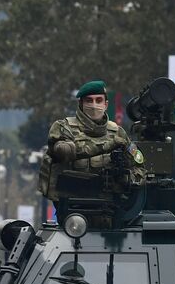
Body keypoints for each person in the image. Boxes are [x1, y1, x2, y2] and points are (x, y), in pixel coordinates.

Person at [39, 80, 144, 214]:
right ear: (81, 104)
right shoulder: (63, 127)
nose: (94, 105)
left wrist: (128, 179)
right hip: (72, 210)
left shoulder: (118, 133)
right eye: (89, 101)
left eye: (98, 100)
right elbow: (64, 151)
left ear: (106, 104)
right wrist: (107, 145)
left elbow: (140, 167)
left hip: (111, 210)